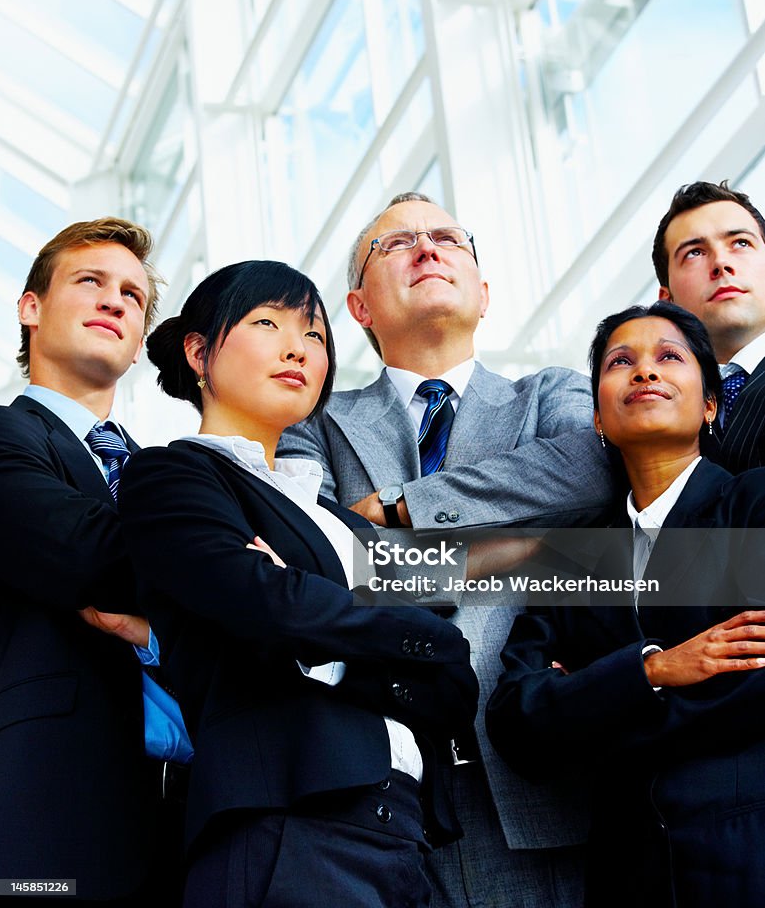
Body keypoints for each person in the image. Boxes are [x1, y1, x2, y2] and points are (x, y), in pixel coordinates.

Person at [279, 193, 613, 908]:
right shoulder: (313, 422)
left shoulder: (548, 395)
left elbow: (590, 472)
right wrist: (528, 549)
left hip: (543, 788)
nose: (427, 248)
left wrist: (401, 511)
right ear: (359, 307)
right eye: (395, 244)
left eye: (446, 238)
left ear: (483, 293)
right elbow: (317, 562)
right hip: (381, 797)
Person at [117, 259, 478, 908]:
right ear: (199, 352)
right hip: (284, 820)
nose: (297, 348)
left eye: (314, 334)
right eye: (266, 323)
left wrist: (332, 653)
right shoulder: (171, 477)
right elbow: (263, 603)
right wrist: (379, 635)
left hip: (406, 834)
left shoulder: (342, 523)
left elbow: (451, 671)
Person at [487, 300, 765, 908]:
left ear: (711, 404)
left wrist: (590, 703)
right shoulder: (573, 557)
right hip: (626, 873)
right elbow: (514, 723)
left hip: (748, 853)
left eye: (670, 357)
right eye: (621, 362)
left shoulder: (753, 505)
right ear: (597, 419)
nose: (645, 372)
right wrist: (651, 670)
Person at [0, 217, 190, 905]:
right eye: (90, 282)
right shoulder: (3, 439)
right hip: (51, 819)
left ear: (139, 343)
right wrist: (245, 571)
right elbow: (92, 558)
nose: (115, 301)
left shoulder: (169, 475)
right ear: (30, 308)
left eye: (133, 297)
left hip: (195, 827)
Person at [653, 179, 765, 471]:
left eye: (741, 243)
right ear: (668, 302)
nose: (721, 263)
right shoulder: (658, 409)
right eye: (694, 252)